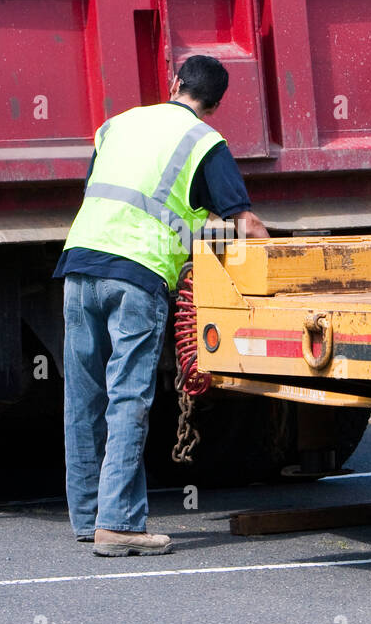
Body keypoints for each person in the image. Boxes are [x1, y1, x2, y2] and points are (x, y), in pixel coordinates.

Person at [54, 55, 268, 557]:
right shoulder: (204, 142)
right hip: (138, 275)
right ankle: (120, 525)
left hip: (79, 265)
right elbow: (248, 226)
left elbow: (109, 195)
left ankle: (88, 518)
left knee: (82, 398)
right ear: (215, 105)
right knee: (127, 396)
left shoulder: (117, 125)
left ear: (173, 83)